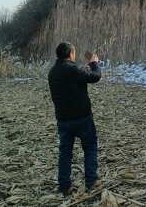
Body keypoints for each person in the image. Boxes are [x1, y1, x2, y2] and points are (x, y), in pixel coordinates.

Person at [47, 42, 101, 195]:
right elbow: (95, 77)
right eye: (74, 53)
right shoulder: (73, 69)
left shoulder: (52, 72)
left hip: (63, 120)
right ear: (70, 53)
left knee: (65, 153)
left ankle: (65, 186)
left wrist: (85, 67)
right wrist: (94, 64)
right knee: (90, 147)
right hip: (82, 119)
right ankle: (91, 182)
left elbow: (74, 77)